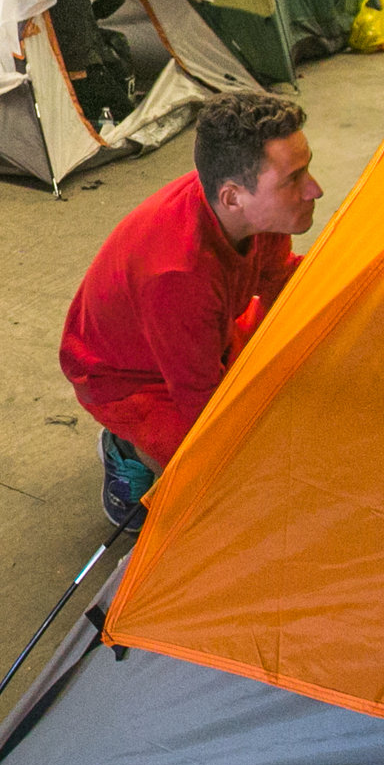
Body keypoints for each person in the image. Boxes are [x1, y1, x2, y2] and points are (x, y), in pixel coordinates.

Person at [59, 90, 323, 526]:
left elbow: (277, 281)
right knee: (217, 470)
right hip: (124, 377)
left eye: (306, 168)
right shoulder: (177, 274)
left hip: (201, 334)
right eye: (293, 179)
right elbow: (201, 404)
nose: (314, 189)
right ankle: (126, 446)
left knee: (284, 371)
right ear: (233, 197)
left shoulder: (260, 216)